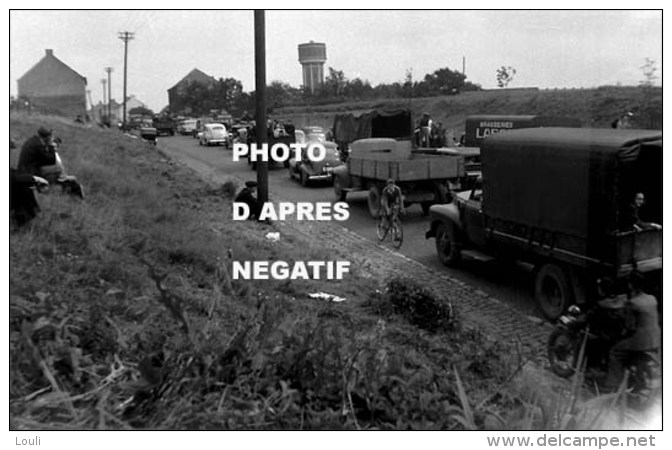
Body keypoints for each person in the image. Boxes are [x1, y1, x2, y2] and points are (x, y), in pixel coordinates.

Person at [602, 272, 660, 390]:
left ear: (631, 285)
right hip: (655, 338)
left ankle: (612, 385)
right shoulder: (652, 299)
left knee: (615, 352)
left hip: (639, 341)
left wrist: (620, 333)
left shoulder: (633, 303)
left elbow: (629, 326)